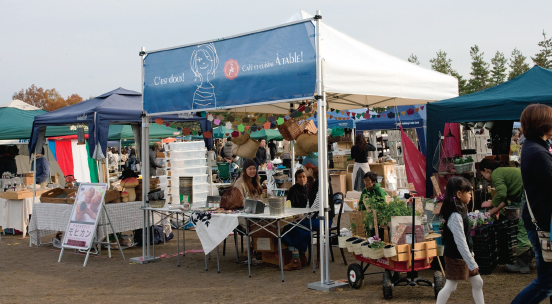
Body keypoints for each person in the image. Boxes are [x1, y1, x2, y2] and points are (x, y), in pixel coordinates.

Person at [512, 104, 552, 303]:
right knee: (546, 283)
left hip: (540, 220)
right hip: (543, 223)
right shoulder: (537, 152)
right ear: (543, 123)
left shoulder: (535, 146)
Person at [282, 153, 335, 271]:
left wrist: (307, 215)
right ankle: (301, 256)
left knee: (291, 228)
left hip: (323, 219)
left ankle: (296, 259)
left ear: (310, 168)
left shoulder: (322, 181)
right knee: (292, 227)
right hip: (317, 217)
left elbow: (318, 203)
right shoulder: (315, 181)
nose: (304, 172)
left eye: (305, 169)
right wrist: (305, 215)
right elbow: (310, 202)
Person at [436, 176, 484, 304]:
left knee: (478, 282)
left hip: (464, 255)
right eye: (468, 192)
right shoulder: (455, 215)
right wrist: (471, 262)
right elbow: (460, 241)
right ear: (458, 194)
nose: (471, 195)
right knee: (451, 286)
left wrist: (470, 256)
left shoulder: (459, 209)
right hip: (456, 257)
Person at [478, 158, 531, 273]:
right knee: (529, 226)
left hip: (527, 193)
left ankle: (523, 264)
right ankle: (529, 261)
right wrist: (489, 213)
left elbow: (501, 193)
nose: (485, 179)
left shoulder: (496, 174)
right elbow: (505, 199)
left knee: (523, 226)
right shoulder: (503, 171)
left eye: (483, 175)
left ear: (487, 170)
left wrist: (491, 202)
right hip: (530, 191)